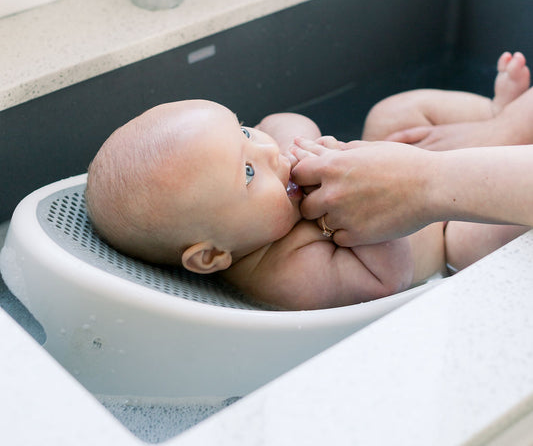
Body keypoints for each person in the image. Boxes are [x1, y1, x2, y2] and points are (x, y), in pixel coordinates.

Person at [85, 51, 530, 310]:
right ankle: (509, 133)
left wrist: (298, 145)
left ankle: (497, 119)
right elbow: (387, 279)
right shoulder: (283, 275)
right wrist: (361, 223)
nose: (264, 150)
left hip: (400, 167)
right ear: (212, 256)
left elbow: (284, 120)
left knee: (390, 116)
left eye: (242, 131)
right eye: (247, 172)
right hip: (447, 228)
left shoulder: (261, 185)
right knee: (473, 244)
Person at [292, 51, 533, 250]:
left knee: (465, 242)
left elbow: (389, 280)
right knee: (392, 116)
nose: (269, 153)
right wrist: (508, 126)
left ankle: (499, 115)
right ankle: (499, 113)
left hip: (446, 235)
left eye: (251, 135)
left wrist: (423, 181)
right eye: (250, 173)